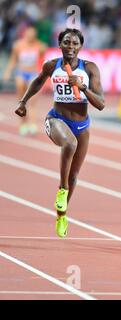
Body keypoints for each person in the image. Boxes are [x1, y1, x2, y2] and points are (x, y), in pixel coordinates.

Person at [14, 28, 105, 237]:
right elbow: (38, 81)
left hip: (82, 125)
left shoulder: (90, 69)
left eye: (74, 43)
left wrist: (83, 88)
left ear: (80, 46)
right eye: (66, 42)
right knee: (69, 144)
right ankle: (62, 189)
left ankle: (62, 214)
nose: (70, 47)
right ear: (60, 44)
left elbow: (100, 104)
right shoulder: (52, 65)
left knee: (74, 175)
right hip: (56, 119)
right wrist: (23, 102)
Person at [3, 25, 47, 136]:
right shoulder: (18, 45)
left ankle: (32, 124)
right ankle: (23, 124)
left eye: (33, 34)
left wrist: (44, 75)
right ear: (25, 33)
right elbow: (13, 60)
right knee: (22, 101)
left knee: (32, 101)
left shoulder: (40, 46)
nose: (30, 36)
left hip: (33, 73)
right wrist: (8, 72)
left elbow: (44, 61)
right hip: (21, 73)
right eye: (29, 33)